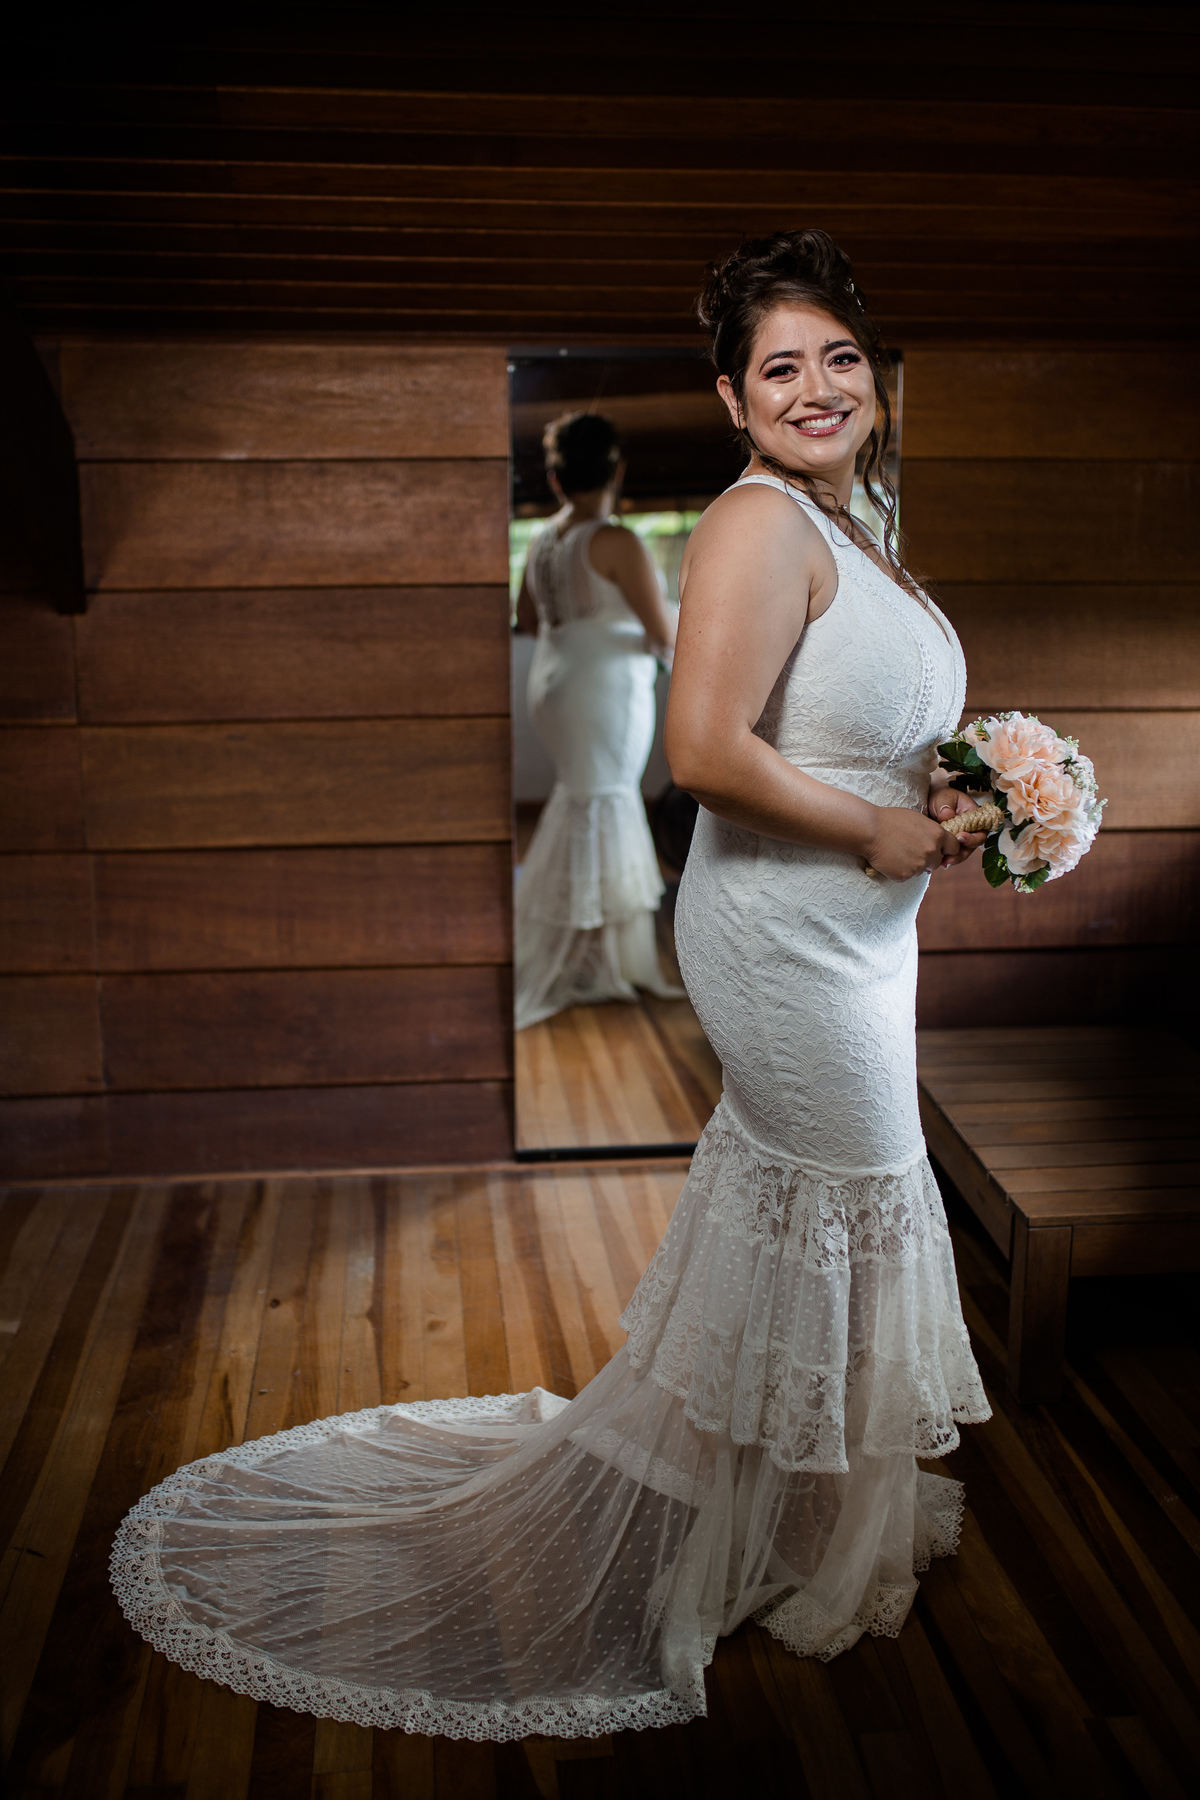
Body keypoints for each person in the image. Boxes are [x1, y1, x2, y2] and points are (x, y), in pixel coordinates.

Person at [111, 231, 990, 1739]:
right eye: (780, 367)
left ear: (876, 376)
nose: (817, 387)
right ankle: (783, 1528)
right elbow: (701, 751)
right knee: (851, 1193)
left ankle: (790, 1507)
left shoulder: (858, 524)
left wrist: (960, 799)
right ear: (733, 400)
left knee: (840, 1203)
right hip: (785, 934)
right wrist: (877, 831)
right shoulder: (755, 522)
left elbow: (850, 728)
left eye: (840, 356)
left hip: (862, 933)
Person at [513, 411, 682, 1029]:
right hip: (604, 690)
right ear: (616, 471)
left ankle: (588, 950)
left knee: (585, 799)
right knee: (607, 800)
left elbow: (529, 619)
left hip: (555, 682)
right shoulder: (616, 541)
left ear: (557, 480)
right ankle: (598, 959)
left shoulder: (542, 539)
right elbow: (661, 632)